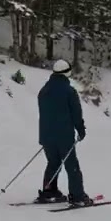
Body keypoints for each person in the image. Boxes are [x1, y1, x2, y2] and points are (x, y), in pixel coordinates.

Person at [36, 60, 92, 206]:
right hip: (64, 136)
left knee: (53, 162)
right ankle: (77, 196)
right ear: (67, 72)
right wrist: (81, 130)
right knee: (71, 165)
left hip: (46, 136)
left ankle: (49, 192)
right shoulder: (69, 91)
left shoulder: (43, 91)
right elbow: (76, 114)